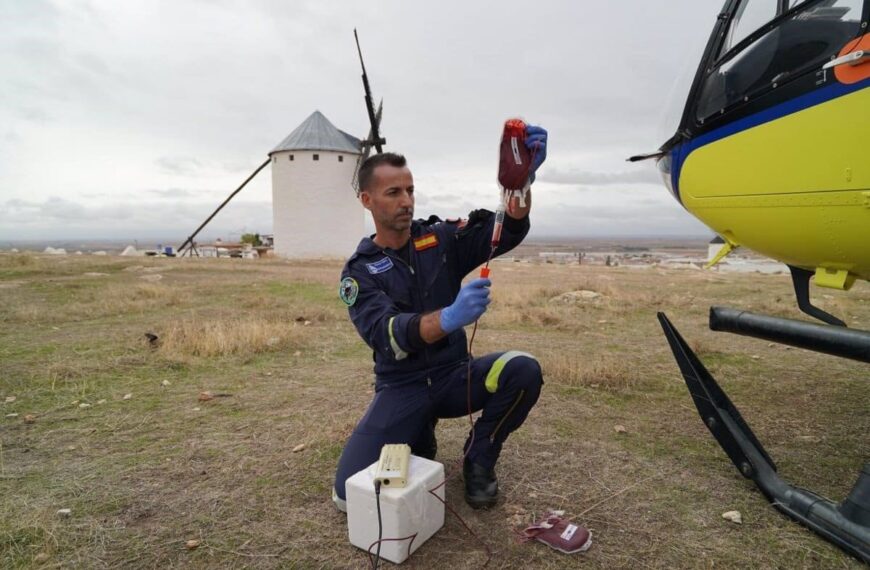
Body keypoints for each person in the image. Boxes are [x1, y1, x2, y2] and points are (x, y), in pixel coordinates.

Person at [334, 125, 547, 511]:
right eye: (394, 192)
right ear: (367, 199)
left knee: (523, 369)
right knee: (348, 494)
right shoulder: (359, 272)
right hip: (402, 387)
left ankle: (478, 459)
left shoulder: (440, 238)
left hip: (454, 378)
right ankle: (418, 434)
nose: (406, 201)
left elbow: (507, 231)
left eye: (410, 190)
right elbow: (387, 335)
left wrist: (521, 184)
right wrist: (449, 317)